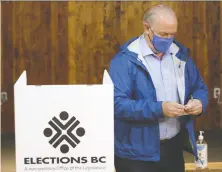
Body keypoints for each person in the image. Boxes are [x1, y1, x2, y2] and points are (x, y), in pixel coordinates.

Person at [108, 4, 208, 172]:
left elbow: (199, 87)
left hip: (173, 150)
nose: (169, 39)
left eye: (172, 34)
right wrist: (159, 108)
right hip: (135, 155)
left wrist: (199, 102)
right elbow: (116, 104)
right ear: (147, 28)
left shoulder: (180, 55)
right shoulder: (124, 61)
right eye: (163, 34)